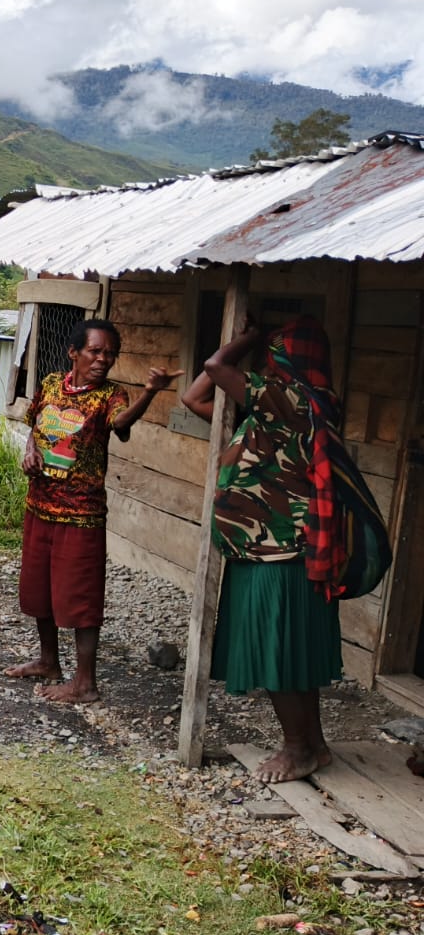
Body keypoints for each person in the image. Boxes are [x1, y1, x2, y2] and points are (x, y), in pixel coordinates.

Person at [181, 316, 347, 783]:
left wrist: (244, 338)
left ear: (293, 363)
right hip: (265, 551)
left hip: (280, 552)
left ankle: (296, 749)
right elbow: (193, 398)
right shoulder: (267, 415)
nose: (266, 369)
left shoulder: (297, 400)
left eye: (274, 358)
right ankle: (313, 745)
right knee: (289, 653)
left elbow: (215, 365)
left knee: (278, 653)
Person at [5, 319, 177, 702]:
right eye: (95, 351)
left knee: (81, 598)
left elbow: (120, 423)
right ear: (74, 353)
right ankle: (49, 661)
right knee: (39, 590)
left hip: (81, 514)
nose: (103, 359)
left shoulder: (110, 396)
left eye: (110, 354)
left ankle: (85, 683)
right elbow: (35, 424)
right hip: (40, 505)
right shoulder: (50, 384)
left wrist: (150, 393)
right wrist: (30, 451)